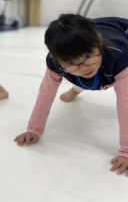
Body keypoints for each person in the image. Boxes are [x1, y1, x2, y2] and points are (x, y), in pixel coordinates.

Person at [14, 14, 128, 177]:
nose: (83, 67)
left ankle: (77, 85)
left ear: (99, 41)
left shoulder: (120, 54)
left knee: (106, 78)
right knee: (88, 76)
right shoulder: (56, 62)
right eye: (70, 62)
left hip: (122, 32)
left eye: (88, 56)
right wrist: (34, 129)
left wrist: (126, 152)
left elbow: (126, 102)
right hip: (90, 48)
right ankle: (77, 88)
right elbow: (46, 92)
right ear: (55, 59)